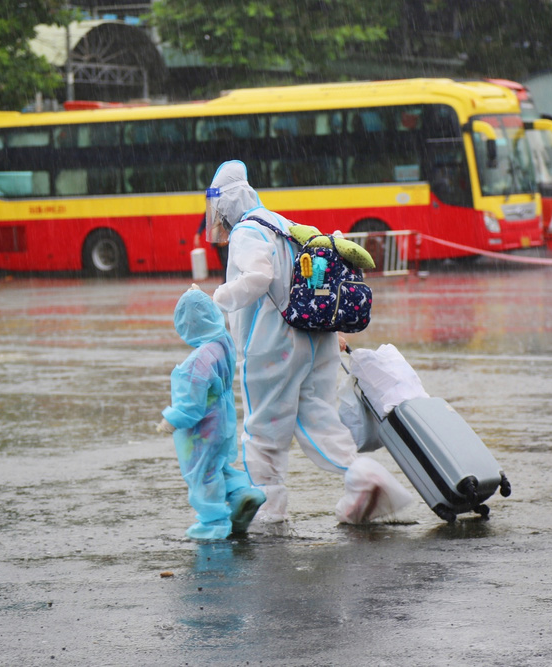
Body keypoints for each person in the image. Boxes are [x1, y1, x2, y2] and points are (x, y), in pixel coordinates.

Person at [204, 160, 414, 525]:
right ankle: (364, 478)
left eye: (218, 210)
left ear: (228, 204)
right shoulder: (285, 224)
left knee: (263, 431)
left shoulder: (247, 232)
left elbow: (258, 276)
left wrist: (217, 299)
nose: (217, 219)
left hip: (271, 347)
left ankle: (268, 512)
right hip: (317, 338)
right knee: (318, 418)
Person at [157, 285, 266, 539]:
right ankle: (243, 493)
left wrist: (172, 419)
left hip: (202, 428)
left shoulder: (199, 359)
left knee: (202, 474)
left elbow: (191, 403)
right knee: (218, 466)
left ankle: (213, 524)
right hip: (223, 421)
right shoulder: (222, 343)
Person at [193, 214, 228, 280]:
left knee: (226, 261)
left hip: (227, 239)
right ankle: (226, 279)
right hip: (218, 240)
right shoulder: (212, 208)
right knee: (224, 262)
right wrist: (198, 234)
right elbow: (204, 221)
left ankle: (226, 280)